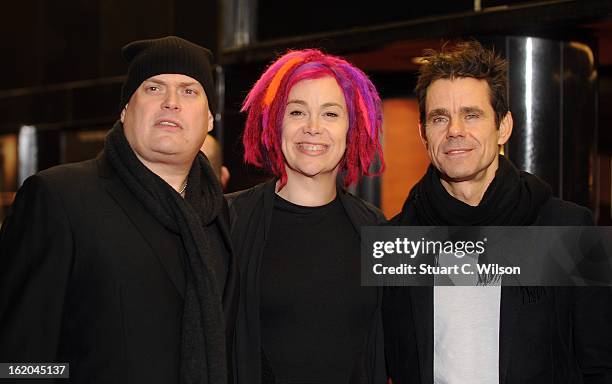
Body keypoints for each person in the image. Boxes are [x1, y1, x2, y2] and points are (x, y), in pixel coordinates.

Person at [0, 36, 237, 384]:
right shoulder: (58, 198)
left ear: (209, 120)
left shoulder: (223, 220)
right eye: (154, 88)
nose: (171, 102)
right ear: (125, 110)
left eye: (189, 91)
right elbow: (16, 366)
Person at [383, 41, 612, 384]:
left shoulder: (567, 228)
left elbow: (600, 362)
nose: (454, 131)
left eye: (471, 115)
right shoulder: (398, 241)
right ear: (423, 134)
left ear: (503, 127)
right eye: (439, 117)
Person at [227, 49, 386, 384]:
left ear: (351, 128)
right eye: (297, 111)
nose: (313, 128)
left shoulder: (376, 229)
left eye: (331, 114)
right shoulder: (227, 223)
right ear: (274, 122)